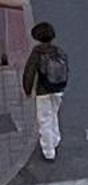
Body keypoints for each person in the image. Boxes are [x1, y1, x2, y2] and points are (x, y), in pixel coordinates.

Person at [22, 20, 67, 161]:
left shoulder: (37, 52)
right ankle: (56, 138)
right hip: (58, 88)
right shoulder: (59, 50)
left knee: (44, 119)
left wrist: (28, 90)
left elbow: (29, 72)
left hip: (43, 91)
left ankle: (48, 150)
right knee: (54, 114)